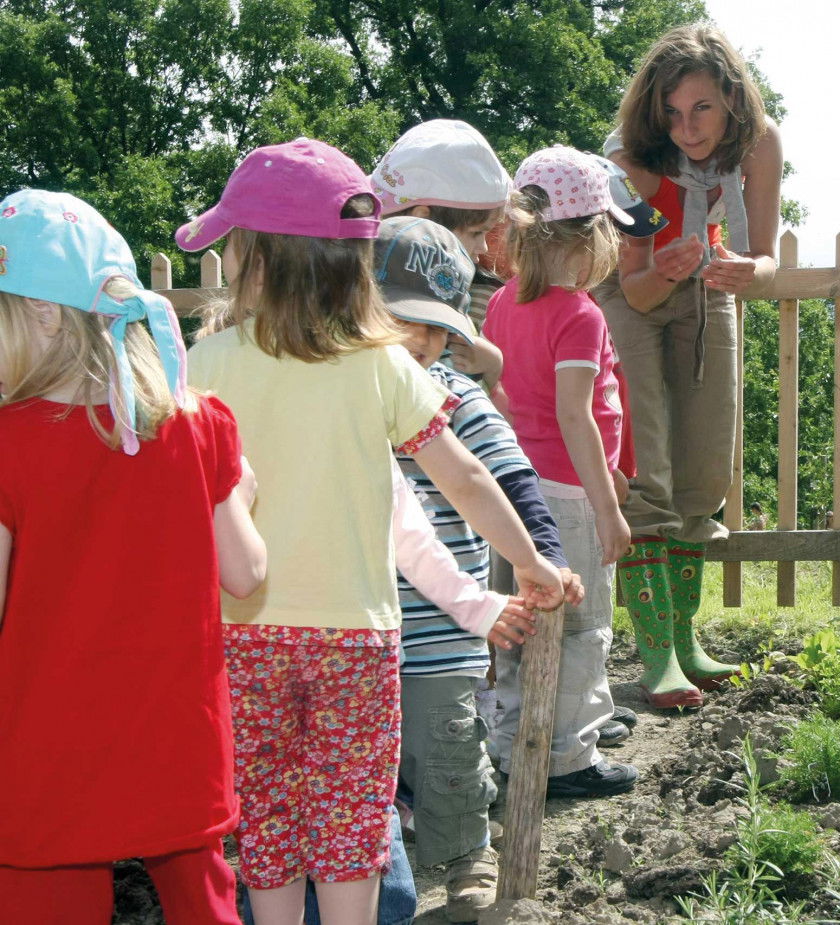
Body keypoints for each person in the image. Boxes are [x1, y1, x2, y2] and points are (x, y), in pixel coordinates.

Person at [176, 137, 565, 925]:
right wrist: (531, 564)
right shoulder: (384, 365)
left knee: (270, 826)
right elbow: (465, 477)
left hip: (244, 635)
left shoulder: (207, 363)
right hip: (356, 637)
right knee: (352, 827)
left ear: (255, 260)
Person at [0, 189, 267, 923]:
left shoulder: (8, 442)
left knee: (41, 896)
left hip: (45, 744)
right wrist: (238, 491)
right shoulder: (201, 422)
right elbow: (246, 573)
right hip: (178, 739)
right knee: (201, 902)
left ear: (45, 314)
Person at [373, 215, 582, 921]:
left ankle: (465, 859)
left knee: (448, 748)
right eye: (402, 322)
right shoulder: (342, 390)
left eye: (436, 331)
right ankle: (384, 860)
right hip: (352, 616)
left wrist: (544, 555)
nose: (421, 342)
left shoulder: (454, 395)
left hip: (441, 621)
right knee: (368, 760)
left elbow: (512, 477)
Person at [598, 22, 783, 709]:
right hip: (635, 295)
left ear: (732, 99)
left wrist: (746, 270)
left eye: (701, 108)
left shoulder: (760, 146)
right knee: (648, 469)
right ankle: (656, 660)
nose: (686, 128)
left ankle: (686, 640)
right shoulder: (632, 162)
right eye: (672, 113)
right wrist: (672, 266)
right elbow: (637, 285)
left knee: (705, 468)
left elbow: (765, 262)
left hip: (708, 285)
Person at [483, 145, 639, 798]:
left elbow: (500, 398)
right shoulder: (579, 315)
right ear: (588, 237)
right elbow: (577, 415)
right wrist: (608, 506)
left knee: (519, 624)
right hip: (569, 496)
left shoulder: (502, 305)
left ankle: (517, 737)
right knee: (581, 622)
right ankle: (567, 757)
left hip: (515, 489)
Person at [369, 118, 510, 381]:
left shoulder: (458, 297)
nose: (484, 247)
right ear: (424, 219)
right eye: (477, 232)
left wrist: (491, 366)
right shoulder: (362, 297)